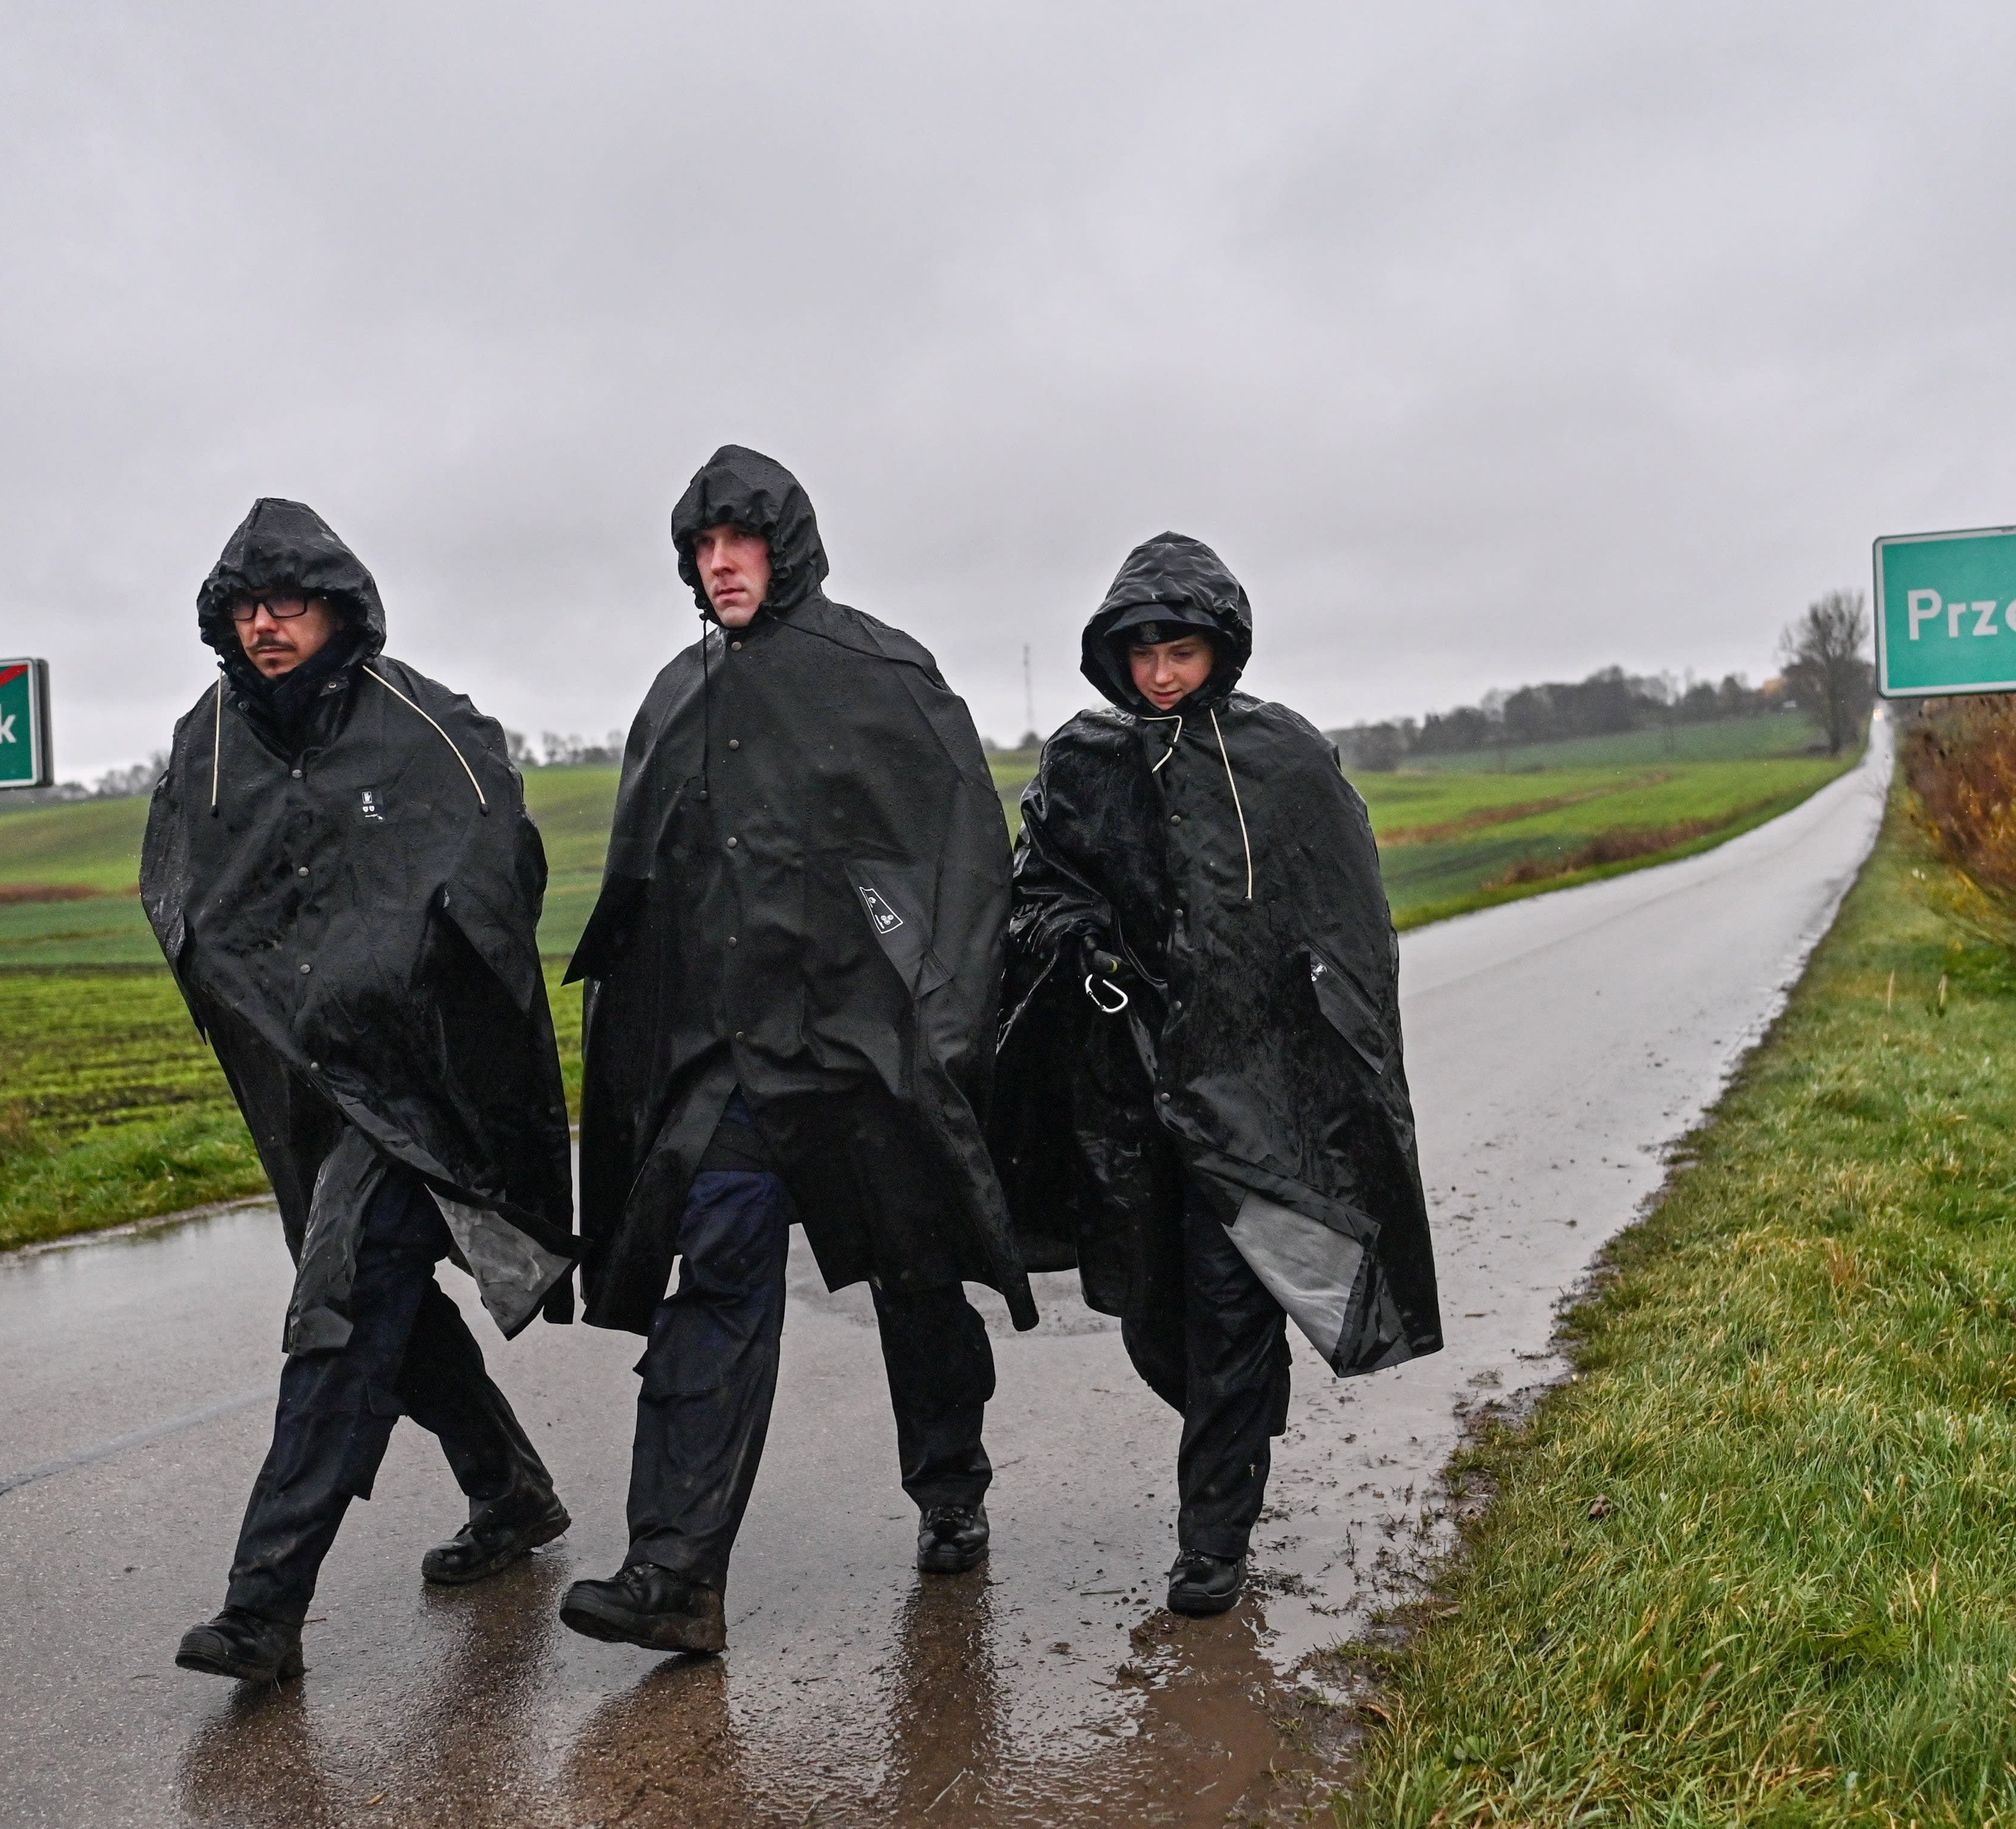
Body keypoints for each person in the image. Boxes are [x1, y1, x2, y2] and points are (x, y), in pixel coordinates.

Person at [556, 447, 1032, 1655]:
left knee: (916, 1276)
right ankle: (673, 1572)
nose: (721, 563)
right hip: (735, 1067)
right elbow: (647, 890)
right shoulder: (679, 693)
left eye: (742, 540)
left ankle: (950, 1483)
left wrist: (941, 1034)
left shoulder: (882, 673)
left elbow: (964, 858)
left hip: (865, 1055)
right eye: (703, 545)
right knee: (717, 1273)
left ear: (788, 548)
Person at [141, 498, 578, 1685]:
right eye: (246, 606)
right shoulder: (209, 741)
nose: (266, 625)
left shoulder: (421, 724)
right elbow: (181, 889)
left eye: (287, 602)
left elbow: (496, 866)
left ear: (338, 606)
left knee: (339, 1303)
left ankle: (263, 1604)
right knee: (384, 1301)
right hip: (305, 1086)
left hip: (420, 1079)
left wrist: (404, 980)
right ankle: (509, 1486)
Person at [991, 533, 1441, 1617]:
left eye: (1180, 650)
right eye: (1141, 652)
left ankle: (1212, 1543)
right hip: (1130, 1092)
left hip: (1253, 1087)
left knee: (1230, 1300)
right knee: (1158, 1310)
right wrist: (1081, 939)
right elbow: (1035, 887)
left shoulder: (1283, 758)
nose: (1160, 674)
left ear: (1219, 648)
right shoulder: (1082, 761)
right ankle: (1236, 1423)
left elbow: (1344, 917)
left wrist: (1324, 1052)